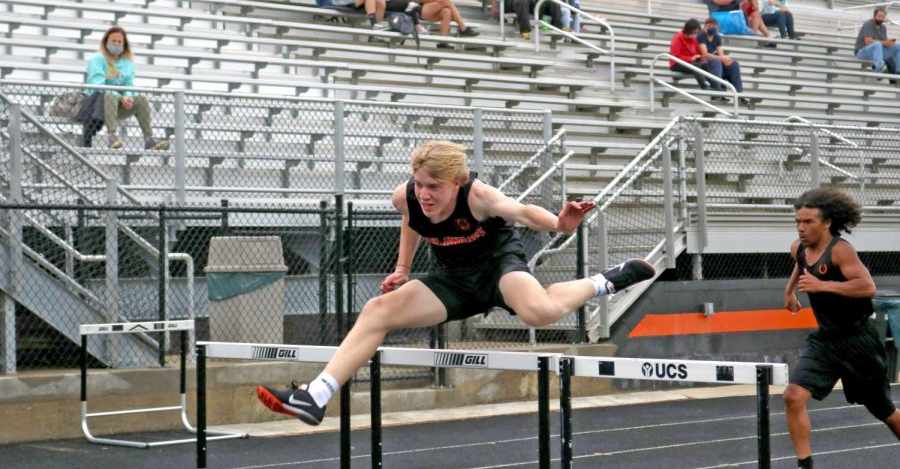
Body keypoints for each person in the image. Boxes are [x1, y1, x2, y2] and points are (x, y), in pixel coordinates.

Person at [256, 140, 656, 426]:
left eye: (435, 188)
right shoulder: (407, 197)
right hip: (453, 278)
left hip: (498, 268)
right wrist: (402, 267)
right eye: (419, 184)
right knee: (377, 310)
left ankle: (606, 280)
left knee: (538, 311)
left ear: (455, 182)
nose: (425, 195)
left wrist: (559, 223)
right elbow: (411, 220)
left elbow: (523, 212)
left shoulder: (478, 195)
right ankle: (317, 395)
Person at [777, 188, 900, 469]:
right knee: (792, 395)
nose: (801, 228)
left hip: (859, 340)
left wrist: (823, 285)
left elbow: (866, 287)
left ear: (827, 222)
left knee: (884, 411)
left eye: (807, 222)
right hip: (825, 340)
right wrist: (790, 290)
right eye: (797, 221)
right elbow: (799, 263)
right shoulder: (800, 247)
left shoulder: (841, 250)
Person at [83, 26, 168, 150]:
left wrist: (128, 97)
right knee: (110, 95)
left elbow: (129, 85)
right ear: (106, 42)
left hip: (117, 105)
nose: (116, 44)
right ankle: (112, 136)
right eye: (113, 41)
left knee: (140, 99)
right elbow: (98, 86)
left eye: (119, 42)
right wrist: (121, 97)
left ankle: (149, 139)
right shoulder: (97, 60)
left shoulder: (127, 63)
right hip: (96, 105)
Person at [696, 17, 744, 97]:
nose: (712, 29)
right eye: (709, 27)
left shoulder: (717, 37)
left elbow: (720, 53)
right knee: (716, 61)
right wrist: (721, 58)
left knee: (734, 64)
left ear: (717, 28)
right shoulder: (701, 36)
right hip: (703, 63)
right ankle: (717, 92)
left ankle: (739, 94)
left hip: (714, 63)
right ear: (705, 27)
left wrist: (726, 60)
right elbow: (705, 54)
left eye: (714, 27)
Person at [854, 8, 900, 81]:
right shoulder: (869, 23)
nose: (881, 18)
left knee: (898, 46)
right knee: (877, 44)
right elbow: (867, 41)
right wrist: (884, 42)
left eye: (883, 17)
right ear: (874, 16)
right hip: (862, 52)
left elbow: (883, 43)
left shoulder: (883, 28)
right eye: (879, 16)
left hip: (876, 53)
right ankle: (879, 68)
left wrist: (889, 43)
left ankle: (898, 71)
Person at [669, 19, 715, 91]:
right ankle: (704, 87)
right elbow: (675, 56)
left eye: (695, 33)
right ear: (688, 30)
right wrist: (691, 58)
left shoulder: (693, 39)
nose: (694, 35)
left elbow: (698, 51)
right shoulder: (678, 38)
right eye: (693, 33)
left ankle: (715, 86)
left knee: (705, 64)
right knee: (696, 66)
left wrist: (701, 57)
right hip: (676, 63)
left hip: (690, 61)